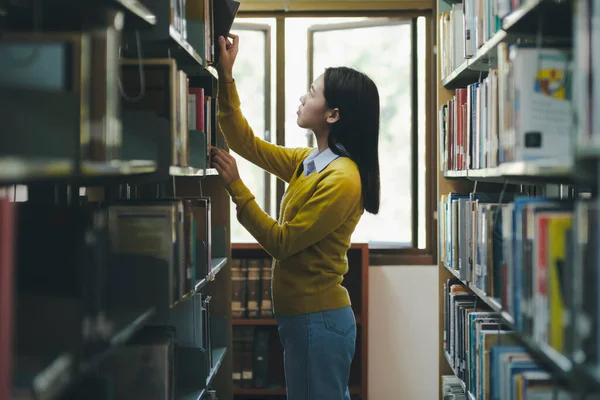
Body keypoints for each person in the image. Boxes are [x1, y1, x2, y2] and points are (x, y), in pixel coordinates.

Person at [210, 33, 381, 400]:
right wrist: (226, 78)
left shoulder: (342, 179)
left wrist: (236, 187)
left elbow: (282, 243)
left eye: (312, 92)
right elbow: (246, 144)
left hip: (316, 319)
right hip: (305, 319)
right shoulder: (310, 162)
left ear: (333, 114)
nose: (303, 98)